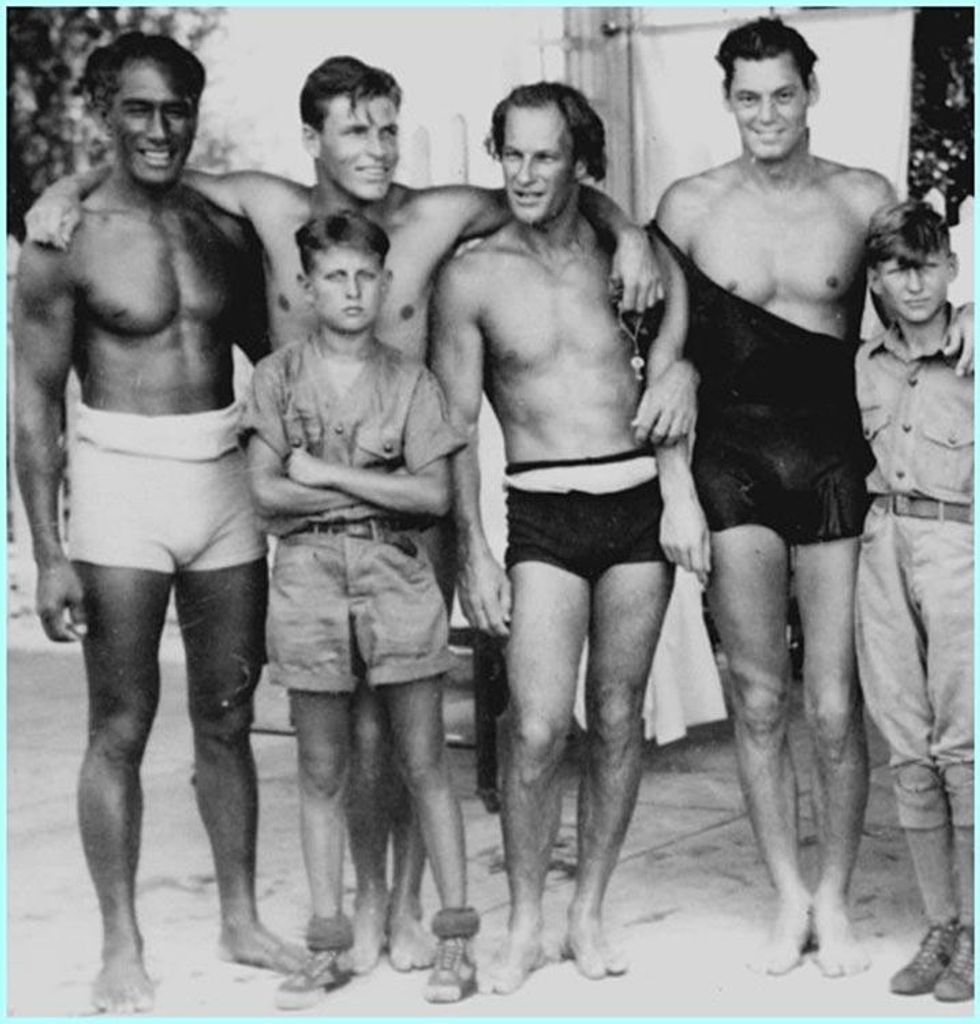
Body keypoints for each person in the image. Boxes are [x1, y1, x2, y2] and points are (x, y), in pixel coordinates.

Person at [25, 54, 690, 974]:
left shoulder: (437, 215)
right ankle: (363, 903)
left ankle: (407, 906)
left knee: (409, 724)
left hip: (409, 507)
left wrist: (629, 236)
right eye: (354, 130)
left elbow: (551, 188)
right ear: (312, 139)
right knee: (340, 729)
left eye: (386, 128)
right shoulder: (267, 206)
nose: (376, 148)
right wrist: (63, 187)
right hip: (304, 518)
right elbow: (152, 165)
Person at [646, 16, 972, 978]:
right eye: (748, 97)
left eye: (783, 94)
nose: (767, 115)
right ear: (727, 101)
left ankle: (835, 893)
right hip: (732, 460)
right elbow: (662, 354)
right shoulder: (690, 205)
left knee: (834, 707)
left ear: (812, 93)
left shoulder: (861, 197)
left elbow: (916, 298)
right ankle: (788, 896)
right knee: (758, 699)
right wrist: (675, 488)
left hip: (833, 458)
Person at [12, 32, 303, 1015]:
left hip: (220, 484)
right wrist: (48, 552)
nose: (159, 128)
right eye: (137, 108)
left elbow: (275, 362)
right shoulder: (63, 238)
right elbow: (33, 403)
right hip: (120, 490)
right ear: (104, 111)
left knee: (227, 716)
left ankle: (239, 917)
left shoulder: (222, 226)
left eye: (176, 109)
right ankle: (120, 944)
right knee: (120, 725)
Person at [431, 81, 707, 996]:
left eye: (544, 156)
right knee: (540, 726)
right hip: (542, 514)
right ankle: (524, 922)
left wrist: (679, 376)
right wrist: (472, 550)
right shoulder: (472, 275)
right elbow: (456, 428)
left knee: (619, 717)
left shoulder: (628, 255)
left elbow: (676, 340)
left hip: (636, 508)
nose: (523, 173)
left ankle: (587, 908)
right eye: (511, 153)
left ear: (579, 162)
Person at [243, 210, 480, 1007]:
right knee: (320, 769)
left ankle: (454, 938)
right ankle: (327, 943)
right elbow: (265, 492)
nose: (351, 291)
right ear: (306, 288)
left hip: (396, 576)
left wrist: (325, 475)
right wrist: (368, 489)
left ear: (384, 285)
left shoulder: (411, 382)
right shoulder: (278, 377)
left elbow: (433, 494)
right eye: (334, 277)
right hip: (307, 581)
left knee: (425, 761)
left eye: (364, 277)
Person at [855, 201, 973, 1002]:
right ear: (876, 279)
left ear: (952, 268)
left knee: (966, 748)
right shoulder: (863, 363)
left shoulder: (973, 349)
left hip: (959, 545)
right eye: (899, 268)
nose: (917, 283)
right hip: (882, 544)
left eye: (929, 265)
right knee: (908, 745)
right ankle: (943, 925)